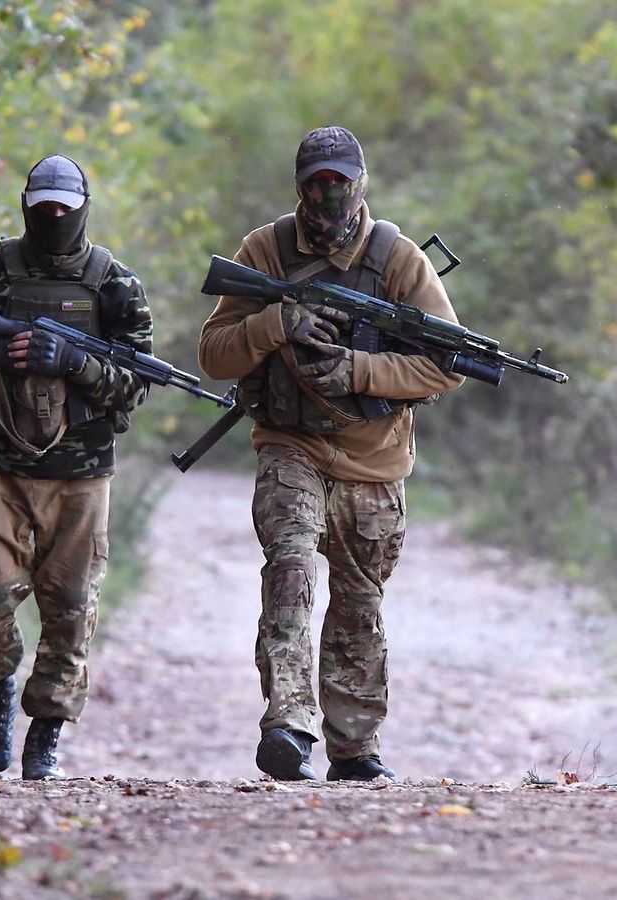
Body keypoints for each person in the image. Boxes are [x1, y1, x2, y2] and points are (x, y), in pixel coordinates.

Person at [198, 126, 464, 781]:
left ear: (361, 182)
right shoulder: (265, 250)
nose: (328, 195)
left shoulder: (398, 259)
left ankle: (353, 748)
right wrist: (273, 325)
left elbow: (447, 366)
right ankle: (289, 723)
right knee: (289, 571)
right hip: (291, 446)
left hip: (374, 461)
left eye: (339, 182)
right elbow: (212, 355)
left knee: (358, 606)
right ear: (299, 186)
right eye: (316, 183)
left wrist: (357, 370)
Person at [0, 154, 153, 780]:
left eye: (62, 211)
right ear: (24, 205)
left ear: (82, 209)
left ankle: (45, 731)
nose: (51, 218)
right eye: (41, 208)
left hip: (82, 471)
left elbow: (139, 382)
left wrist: (76, 364)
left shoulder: (114, 285)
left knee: (71, 606)